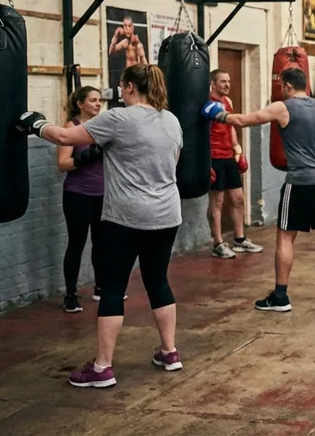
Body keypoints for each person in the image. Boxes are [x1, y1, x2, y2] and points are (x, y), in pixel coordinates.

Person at [18, 64, 185, 388]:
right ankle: (170, 352)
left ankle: (102, 368)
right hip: (166, 216)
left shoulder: (118, 118)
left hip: (125, 218)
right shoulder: (172, 119)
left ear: (130, 87)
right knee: (157, 281)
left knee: (112, 288)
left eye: (122, 86)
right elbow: (173, 162)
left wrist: (36, 124)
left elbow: (65, 136)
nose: (119, 92)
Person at [201, 68, 315, 311]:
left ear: (287, 86)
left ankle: (280, 296)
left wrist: (218, 114)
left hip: (300, 182)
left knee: (286, 235)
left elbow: (244, 120)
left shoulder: (282, 107)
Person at [57, 87, 105, 314]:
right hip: (78, 194)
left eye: (99, 100)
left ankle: (100, 287)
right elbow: (62, 164)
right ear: (80, 104)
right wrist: (85, 157)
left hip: (102, 194)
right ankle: (70, 294)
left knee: (102, 243)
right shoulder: (71, 129)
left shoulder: (104, 126)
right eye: (92, 100)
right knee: (76, 243)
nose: (98, 104)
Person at [206, 69, 262, 258]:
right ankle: (218, 243)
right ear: (213, 83)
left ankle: (239, 240)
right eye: (222, 81)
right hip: (213, 156)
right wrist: (204, 161)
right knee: (217, 200)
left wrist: (238, 151)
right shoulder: (207, 104)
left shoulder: (227, 102)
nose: (227, 85)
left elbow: (230, 128)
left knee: (238, 198)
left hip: (228, 156)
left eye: (229, 81)